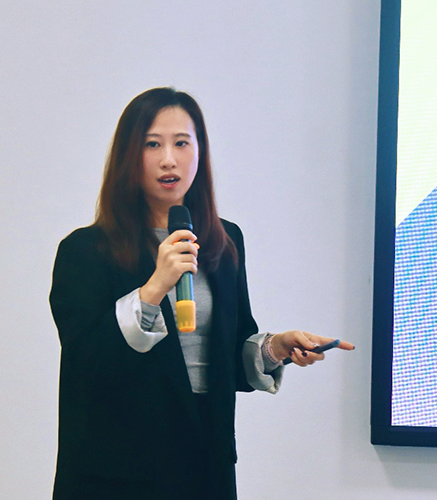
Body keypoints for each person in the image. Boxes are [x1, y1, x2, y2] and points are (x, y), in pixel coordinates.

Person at [50, 87, 354, 500]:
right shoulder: (86, 250)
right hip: (119, 471)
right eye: (152, 144)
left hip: (205, 462)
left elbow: (227, 355)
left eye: (181, 143)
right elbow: (87, 362)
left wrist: (276, 348)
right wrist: (155, 286)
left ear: (200, 152)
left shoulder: (225, 241)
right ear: (128, 156)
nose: (168, 159)